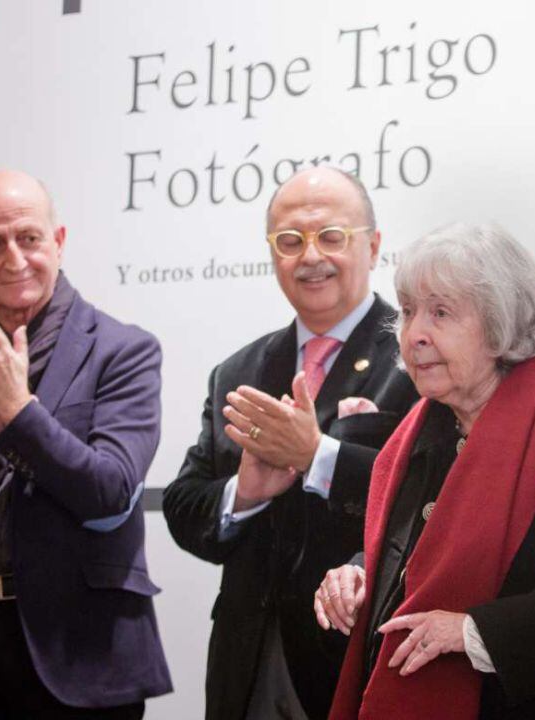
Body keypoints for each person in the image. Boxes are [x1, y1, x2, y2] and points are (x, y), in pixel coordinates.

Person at [313, 222, 535, 720]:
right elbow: (413, 557)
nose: (415, 334)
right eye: (409, 312)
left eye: (441, 313)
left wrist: (472, 632)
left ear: (501, 324)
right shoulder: (420, 436)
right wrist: (359, 575)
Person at [162, 167, 418, 720]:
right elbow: (184, 507)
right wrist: (245, 492)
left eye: (331, 236)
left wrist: (319, 457)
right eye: (289, 241)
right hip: (248, 661)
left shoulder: (417, 357)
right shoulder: (240, 369)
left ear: (373, 246)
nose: (310, 257)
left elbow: (428, 497)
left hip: (356, 657)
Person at [0, 170, 171, 718]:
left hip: (81, 654)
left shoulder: (123, 350)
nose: (14, 259)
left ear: (57, 242)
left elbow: (109, 490)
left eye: (29, 238)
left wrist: (16, 413)